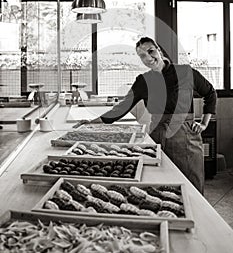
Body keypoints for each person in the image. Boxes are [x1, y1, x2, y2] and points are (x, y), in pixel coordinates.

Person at [74, 36, 217, 194]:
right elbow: (121, 108)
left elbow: (210, 93)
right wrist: (91, 123)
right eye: (142, 55)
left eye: (151, 51)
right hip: (157, 137)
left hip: (186, 137)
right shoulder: (143, 81)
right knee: (162, 187)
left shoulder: (185, 72)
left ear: (159, 50)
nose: (148, 57)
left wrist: (204, 123)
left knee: (192, 187)